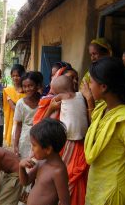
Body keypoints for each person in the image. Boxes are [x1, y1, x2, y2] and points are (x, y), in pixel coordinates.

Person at [84, 57, 125, 205]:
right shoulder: (102, 109)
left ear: (104, 87)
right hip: (96, 190)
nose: (89, 85)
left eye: (92, 82)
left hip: (114, 195)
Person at [49, 75, 89, 205]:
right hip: (84, 137)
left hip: (69, 138)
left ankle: (62, 195)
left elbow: (50, 106)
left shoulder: (60, 98)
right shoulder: (80, 95)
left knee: (66, 167)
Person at [19, 118, 70, 205]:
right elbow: (25, 182)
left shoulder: (58, 171)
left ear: (48, 149)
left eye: (34, 145)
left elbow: (65, 202)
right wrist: (21, 167)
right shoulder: (41, 163)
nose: (32, 148)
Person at [80, 38, 112, 117]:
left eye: (95, 54)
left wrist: (90, 99)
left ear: (106, 53)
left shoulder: (112, 71)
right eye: (91, 55)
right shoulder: (90, 73)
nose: (92, 57)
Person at [14, 71, 42, 159]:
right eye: (24, 86)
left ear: (37, 85)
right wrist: (15, 145)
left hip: (42, 136)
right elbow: (18, 125)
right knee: (27, 163)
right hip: (26, 137)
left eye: (30, 85)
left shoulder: (44, 101)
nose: (27, 89)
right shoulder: (20, 104)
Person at [3, 64, 25, 146]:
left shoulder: (27, 89)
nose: (15, 78)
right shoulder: (8, 90)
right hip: (14, 121)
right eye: (13, 76)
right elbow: (13, 107)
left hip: (27, 121)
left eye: (18, 75)